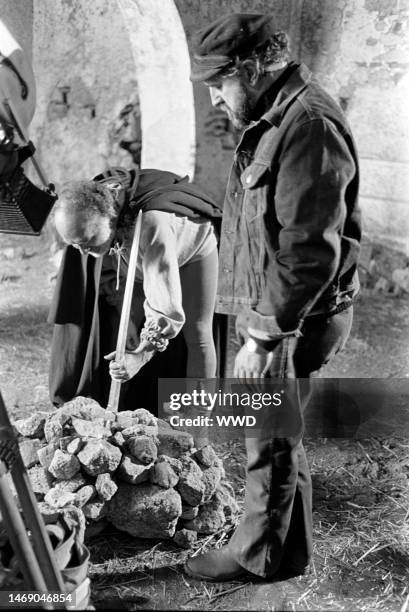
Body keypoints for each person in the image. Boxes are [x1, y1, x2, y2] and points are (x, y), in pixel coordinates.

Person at [184, 13, 361, 581]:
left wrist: (263, 332)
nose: (214, 96)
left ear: (254, 65)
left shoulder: (307, 123)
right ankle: (286, 552)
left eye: (219, 82)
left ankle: (255, 559)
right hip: (275, 303)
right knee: (279, 432)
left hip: (292, 314)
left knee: (268, 437)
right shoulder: (275, 116)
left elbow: (310, 249)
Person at [49, 167, 221, 411]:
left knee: (198, 334)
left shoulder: (152, 226)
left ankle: (198, 422)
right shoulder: (92, 208)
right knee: (127, 321)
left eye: (86, 243)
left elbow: (165, 309)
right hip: (130, 246)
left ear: (109, 220)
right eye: (75, 245)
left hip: (192, 247)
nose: (83, 252)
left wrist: (140, 356)